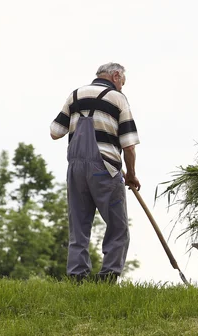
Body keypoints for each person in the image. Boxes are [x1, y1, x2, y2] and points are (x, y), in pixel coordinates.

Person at [50, 62, 141, 283]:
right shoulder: (118, 98)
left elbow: (55, 132)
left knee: (79, 225)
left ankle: (77, 277)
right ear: (116, 76)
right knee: (118, 226)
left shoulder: (75, 95)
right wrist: (131, 174)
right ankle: (107, 277)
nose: (122, 87)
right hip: (105, 168)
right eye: (123, 83)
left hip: (76, 169)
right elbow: (128, 145)